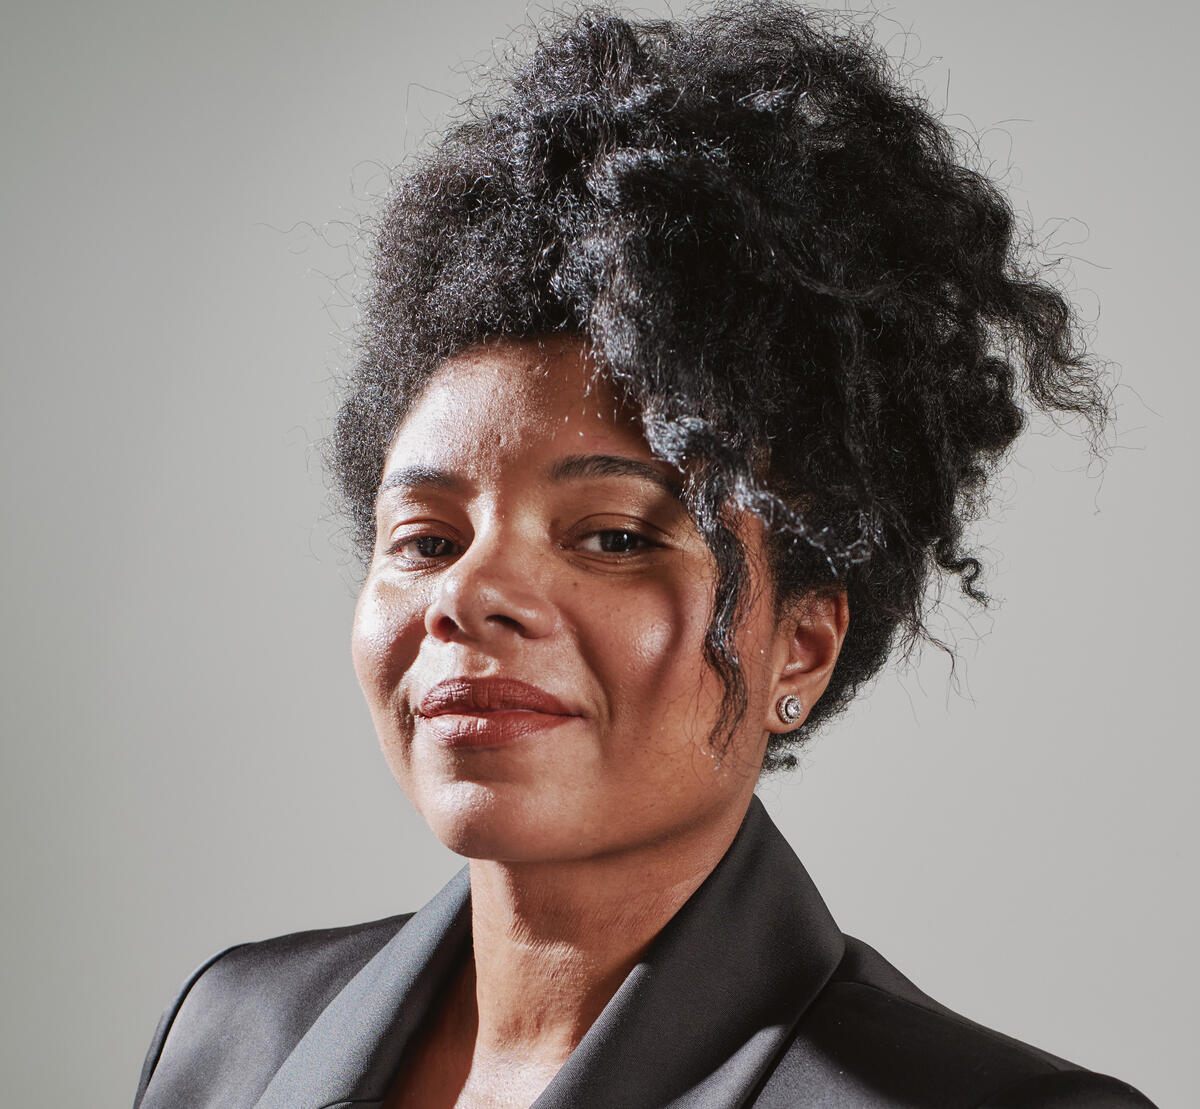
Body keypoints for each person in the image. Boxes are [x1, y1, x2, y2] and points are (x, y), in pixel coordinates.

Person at [131, 3, 1156, 1106]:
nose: (469, 594)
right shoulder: (231, 1034)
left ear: (800, 650)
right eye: (427, 538)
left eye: (614, 536)